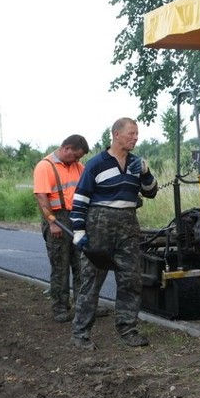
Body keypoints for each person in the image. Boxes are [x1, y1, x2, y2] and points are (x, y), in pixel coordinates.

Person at [69, 118, 158, 350]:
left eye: (137, 134)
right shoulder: (96, 164)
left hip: (128, 224)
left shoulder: (136, 163)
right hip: (99, 225)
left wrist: (146, 172)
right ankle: (80, 333)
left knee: (130, 279)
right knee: (91, 280)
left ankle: (128, 329)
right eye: (131, 133)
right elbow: (79, 200)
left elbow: (151, 192)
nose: (135, 138)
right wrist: (78, 231)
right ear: (116, 134)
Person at [33, 135, 96, 322]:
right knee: (60, 266)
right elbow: (41, 197)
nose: (77, 160)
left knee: (81, 264)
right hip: (57, 217)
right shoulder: (45, 166)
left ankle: (82, 304)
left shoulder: (78, 167)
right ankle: (60, 308)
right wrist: (52, 222)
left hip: (75, 217)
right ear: (66, 148)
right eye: (75, 156)